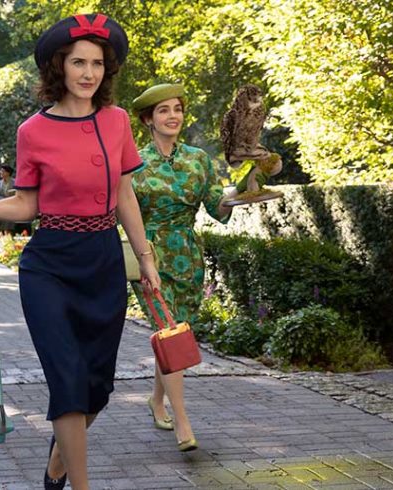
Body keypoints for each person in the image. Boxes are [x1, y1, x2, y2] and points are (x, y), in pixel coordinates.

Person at [0, 14, 159, 490]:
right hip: (49, 264)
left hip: (103, 259)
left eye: (98, 64)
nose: (88, 73)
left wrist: (145, 259)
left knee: (97, 388)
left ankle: (57, 464)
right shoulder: (33, 131)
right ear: (59, 68)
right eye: (78, 62)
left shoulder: (117, 121)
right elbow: (28, 204)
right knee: (67, 380)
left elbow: (125, 195)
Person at [129, 83, 234, 452]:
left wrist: (247, 189)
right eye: (163, 111)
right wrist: (141, 258)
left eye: (178, 109)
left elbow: (217, 206)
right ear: (148, 119)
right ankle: (183, 422)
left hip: (188, 256)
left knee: (176, 335)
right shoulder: (134, 163)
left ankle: (156, 400)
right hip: (150, 257)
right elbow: (125, 215)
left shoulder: (198, 159)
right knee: (170, 331)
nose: (173, 116)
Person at [0, 164, 16, 235]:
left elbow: (18, 194)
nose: (1, 173)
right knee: (0, 228)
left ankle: (9, 242)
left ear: (8, 173)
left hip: (11, 207)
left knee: (9, 227)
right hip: (1, 207)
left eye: (3, 171)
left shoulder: (15, 182)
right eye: (1, 171)